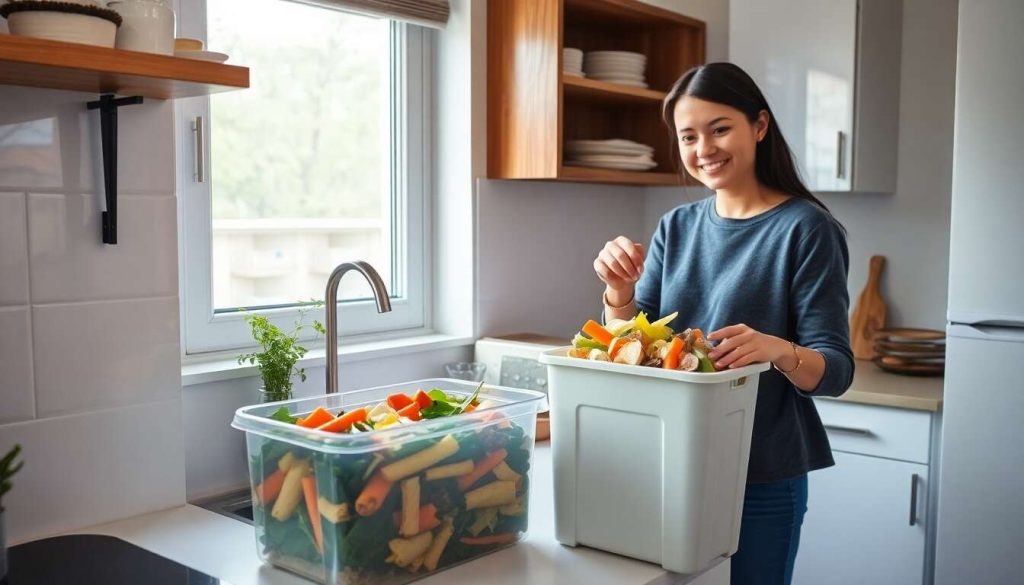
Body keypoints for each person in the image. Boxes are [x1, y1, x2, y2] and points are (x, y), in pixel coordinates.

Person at [593, 62, 855, 585]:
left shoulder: (808, 229)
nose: (703, 149)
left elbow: (836, 371)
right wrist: (617, 293)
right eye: (688, 136)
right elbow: (635, 347)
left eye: (719, 129)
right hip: (670, 464)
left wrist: (775, 349)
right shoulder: (676, 226)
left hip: (763, 473)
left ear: (759, 126)